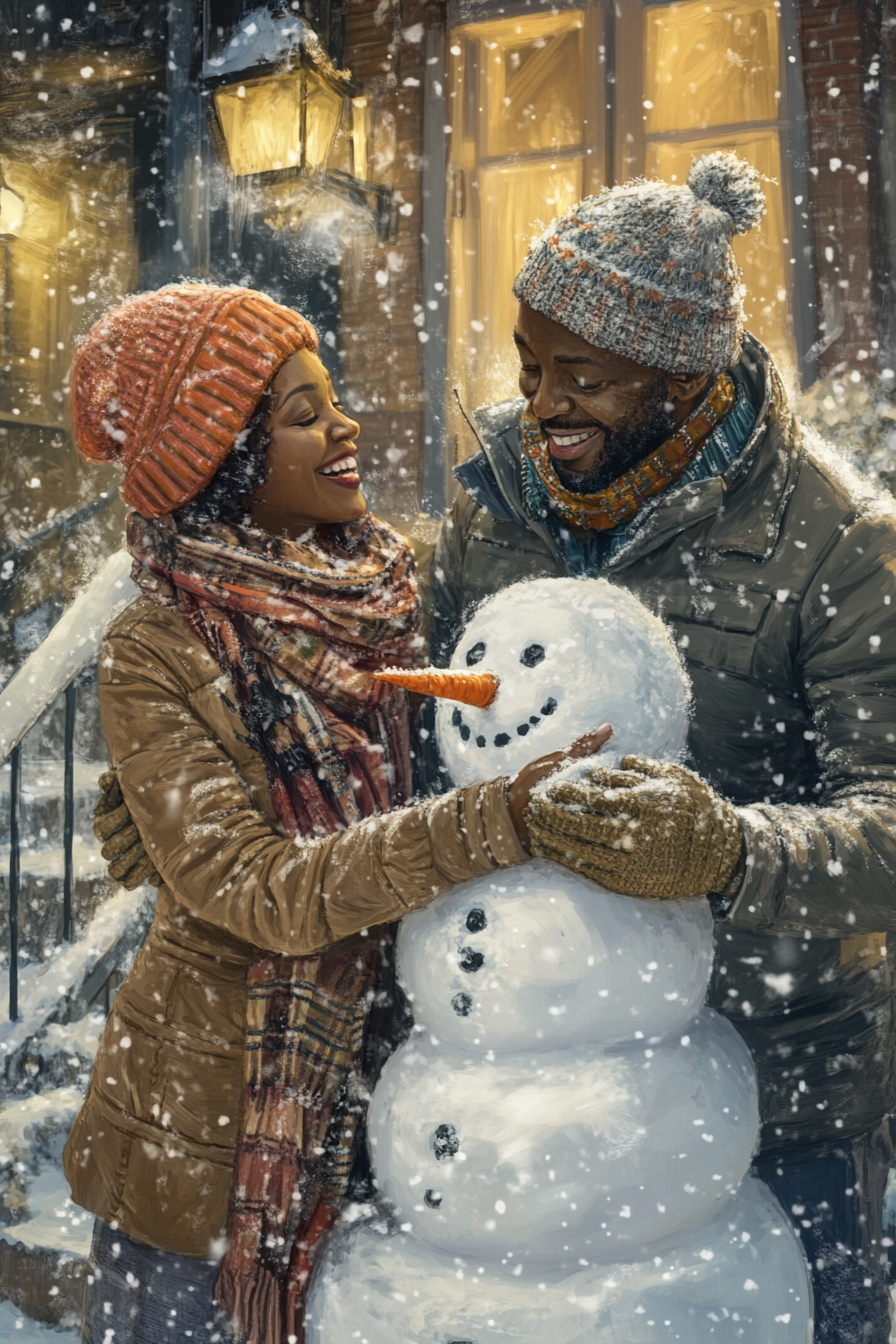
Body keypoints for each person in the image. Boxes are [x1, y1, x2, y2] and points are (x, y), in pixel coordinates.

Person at [64, 282, 609, 1344]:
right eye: (303, 414)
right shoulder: (156, 646)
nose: (344, 424)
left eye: (334, 398)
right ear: (224, 461)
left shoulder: (388, 594)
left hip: (375, 1091)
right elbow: (258, 891)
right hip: (211, 1128)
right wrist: (485, 824)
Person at [429, 152, 896, 1343]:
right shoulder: (493, 505)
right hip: (529, 1092)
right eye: (530, 368)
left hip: (769, 1093)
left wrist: (729, 850)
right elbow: (414, 721)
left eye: (582, 377)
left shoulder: (834, 544)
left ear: (681, 377)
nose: (542, 407)